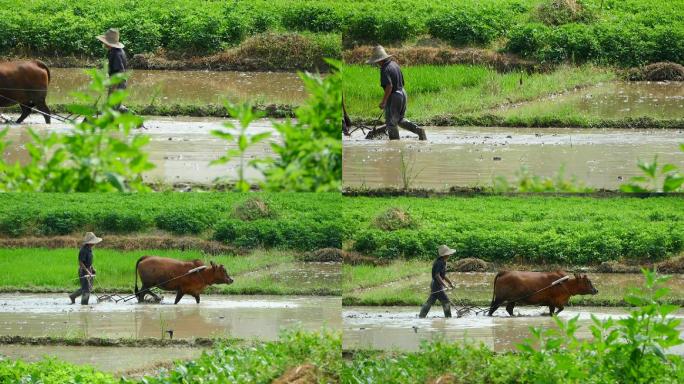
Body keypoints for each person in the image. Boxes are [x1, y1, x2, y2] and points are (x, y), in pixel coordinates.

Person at [367, 45, 426, 141]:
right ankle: (419, 130)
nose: (376, 63)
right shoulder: (394, 64)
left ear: (379, 60)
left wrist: (384, 101)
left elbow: (389, 86)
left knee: (391, 123)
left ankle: (394, 144)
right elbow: (402, 82)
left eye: (376, 61)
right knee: (399, 119)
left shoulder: (384, 69)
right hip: (402, 93)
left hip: (394, 96)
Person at [419, 244, 456, 318]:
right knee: (446, 301)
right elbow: (437, 275)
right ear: (445, 255)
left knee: (430, 301)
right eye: (449, 254)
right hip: (436, 285)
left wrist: (450, 283)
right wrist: (444, 285)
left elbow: (443, 275)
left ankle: (421, 316)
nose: (450, 255)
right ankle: (448, 318)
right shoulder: (440, 262)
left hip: (436, 284)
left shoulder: (443, 261)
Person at [96, 28, 128, 112]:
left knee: (112, 108)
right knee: (115, 106)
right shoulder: (114, 51)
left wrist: (114, 87)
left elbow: (120, 72)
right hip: (117, 83)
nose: (103, 43)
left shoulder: (116, 53)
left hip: (118, 84)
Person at [68, 232, 102, 305]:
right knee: (86, 289)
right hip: (83, 271)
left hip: (89, 270)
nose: (94, 243)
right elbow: (81, 262)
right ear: (89, 242)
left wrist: (92, 269)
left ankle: (73, 296)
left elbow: (89, 262)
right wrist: (87, 271)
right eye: (93, 242)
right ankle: (84, 304)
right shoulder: (83, 250)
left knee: (88, 288)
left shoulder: (89, 249)